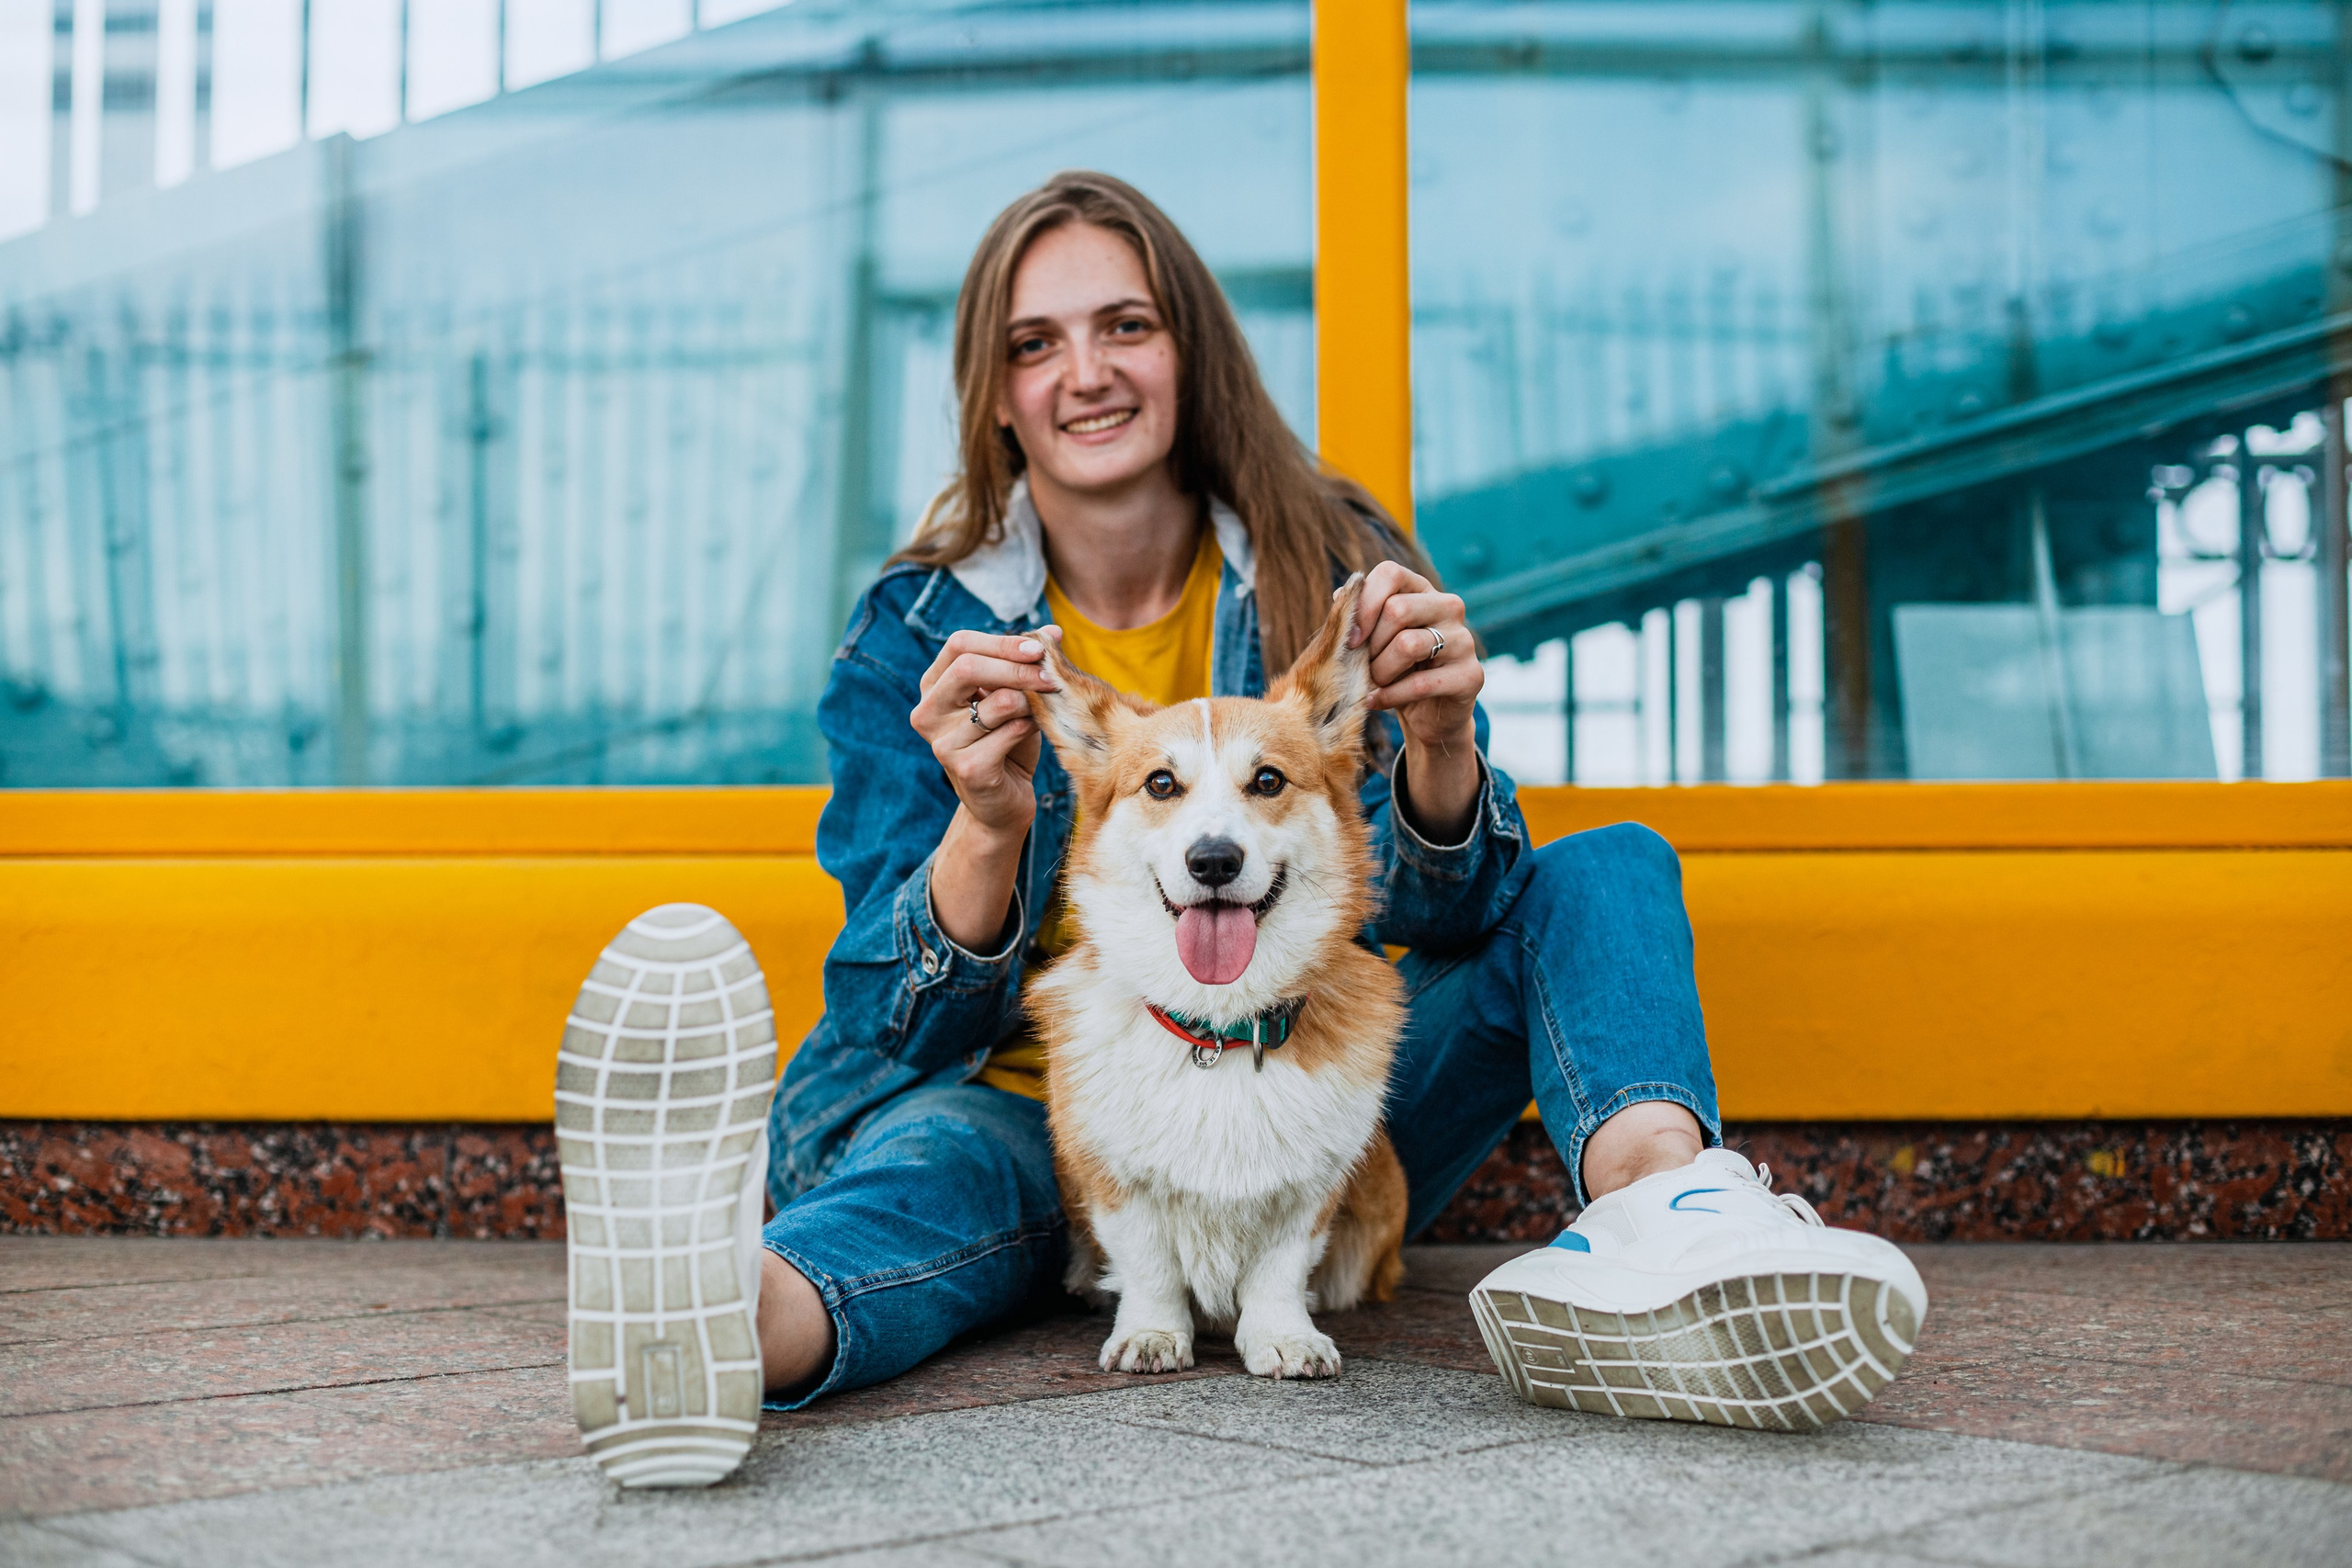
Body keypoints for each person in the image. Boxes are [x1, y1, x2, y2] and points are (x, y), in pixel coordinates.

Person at [557, 171, 1924, 1488]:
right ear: (997, 400)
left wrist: (1440, 749)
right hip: (1031, 1102)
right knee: (926, 1185)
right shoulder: (917, 634)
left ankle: (1658, 1223)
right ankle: (707, 1327)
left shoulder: (1326, 557)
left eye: (1125, 326)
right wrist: (988, 823)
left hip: (1316, 1097)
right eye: (1036, 344)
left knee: (1609, 869)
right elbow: (884, 1017)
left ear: (1190, 352)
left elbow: (1449, 917)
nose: (1084, 372)